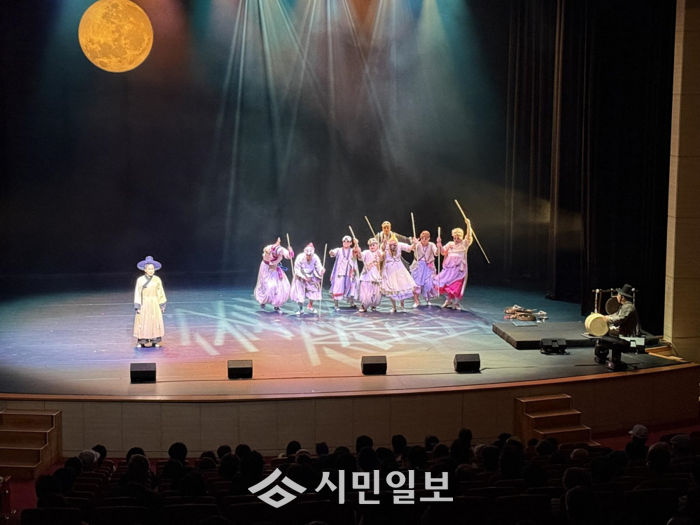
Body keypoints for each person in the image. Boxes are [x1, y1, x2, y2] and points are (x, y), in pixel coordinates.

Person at [435, 220, 472, 310]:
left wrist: (468, 225)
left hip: (458, 269)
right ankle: (448, 300)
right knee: (442, 283)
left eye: (458, 237)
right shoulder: (450, 244)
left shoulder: (464, 244)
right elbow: (443, 252)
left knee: (456, 286)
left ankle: (456, 303)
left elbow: (469, 236)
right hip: (448, 269)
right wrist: (439, 245)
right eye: (454, 237)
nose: (456, 239)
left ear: (461, 237)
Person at [133, 255, 166, 348]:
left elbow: (160, 292)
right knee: (143, 321)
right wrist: (138, 306)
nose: (151, 271)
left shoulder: (157, 279)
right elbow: (138, 293)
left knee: (155, 321)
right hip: (144, 302)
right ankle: (142, 341)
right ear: (145, 270)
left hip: (154, 302)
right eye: (149, 269)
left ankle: (155, 341)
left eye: (152, 269)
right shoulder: (140, 280)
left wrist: (162, 305)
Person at [253, 238, 294, 312]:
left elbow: (288, 256)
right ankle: (263, 302)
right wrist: (274, 246)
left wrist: (290, 252)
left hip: (275, 269)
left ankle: (277, 305)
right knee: (268, 286)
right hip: (266, 269)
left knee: (282, 286)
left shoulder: (281, 250)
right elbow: (266, 254)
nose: (276, 255)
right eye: (275, 253)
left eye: (278, 254)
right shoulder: (269, 248)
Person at [380, 235, 417, 313]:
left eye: (394, 245)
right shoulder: (386, 245)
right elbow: (381, 252)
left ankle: (402, 305)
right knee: (391, 288)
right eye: (391, 245)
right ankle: (394, 307)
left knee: (402, 286)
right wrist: (383, 244)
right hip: (389, 269)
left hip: (399, 268)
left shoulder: (399, 245)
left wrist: (414, 243)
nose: (392, 246)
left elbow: (409, 248)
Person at [289, 243, 325, 315]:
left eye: (310, 255)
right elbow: (297, 269)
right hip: (300, 276)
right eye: (307, 255)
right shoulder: (300, 257)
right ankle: (301, 309)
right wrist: (303, 277)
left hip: (311, 276)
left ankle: (310, 305)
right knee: (299, 293)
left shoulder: (315, 257)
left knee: (314, 290)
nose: (308, 256)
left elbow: (318, 266)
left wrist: (321, 270)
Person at [329, 236, 360, 311]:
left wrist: (356, 243)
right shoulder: (339, 250)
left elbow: (357, 250)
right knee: (337, 287)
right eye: (344, 241)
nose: (346, 243)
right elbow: (333, 253)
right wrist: (331, 252)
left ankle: (352, 302)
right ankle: (336, 305)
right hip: (340, 273)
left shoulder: (352, 251)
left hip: (350, 273)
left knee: (352, 287)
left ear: (351, 243)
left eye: (348, 242)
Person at [410, 231, 438, 307]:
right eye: (422, 238)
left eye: (426, 238)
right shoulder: (418, 244)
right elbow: (411, 248)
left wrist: (439, 246)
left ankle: (427, 298)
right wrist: (414, 243)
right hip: (418, 266)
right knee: (416, 284)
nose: (424, 240)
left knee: (428, 284)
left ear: (429, 238)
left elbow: (436, 253)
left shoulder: (431, 245)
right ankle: (416, 301)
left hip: (428, 266)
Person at [358, 238, 383, 312]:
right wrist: (359, 252)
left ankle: (374, 304)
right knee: (366, 291)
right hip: (367, 275)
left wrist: (381, 255)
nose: (372, 246)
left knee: (376, 291)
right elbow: (360, 257)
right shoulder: (366, 252)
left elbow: (383, 259)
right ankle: (364, 306)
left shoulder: (379, 252)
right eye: (370, 245)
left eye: (373, 245)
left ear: (377, 245)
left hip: (376, 275)